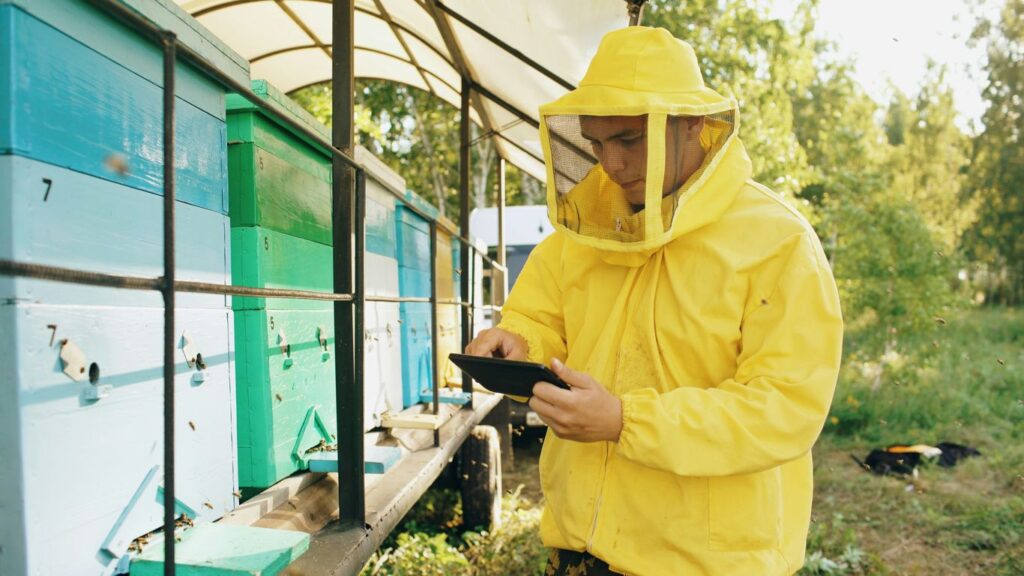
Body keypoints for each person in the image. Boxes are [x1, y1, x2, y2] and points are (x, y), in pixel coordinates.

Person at [465, 26, 843, 576]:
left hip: (704, 562)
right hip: (579, 550)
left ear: (691, 125)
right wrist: (517, 342)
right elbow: (539, 318)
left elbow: (785, 407)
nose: (610, 165)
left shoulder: (777, 242)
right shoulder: (582, 233)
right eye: (596, 144)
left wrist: (626, 420)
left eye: (628, 140)